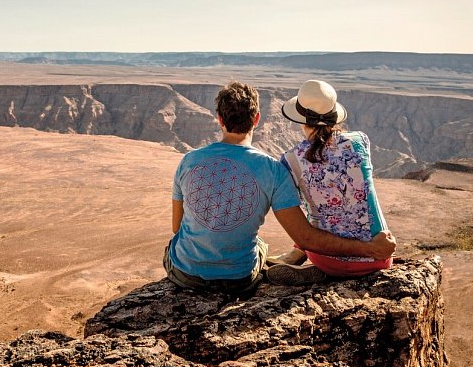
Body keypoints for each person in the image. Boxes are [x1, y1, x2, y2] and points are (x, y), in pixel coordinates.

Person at [163, 81, 396, 295]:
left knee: (182, 244)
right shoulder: (276, 168)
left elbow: (177, 227)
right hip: (240, 278)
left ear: (219, 119)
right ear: (256, 119)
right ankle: (294, 258)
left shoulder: (189, 161)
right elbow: (304, 234)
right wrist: (372, 248)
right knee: (264, 243)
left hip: (186, 276)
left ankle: (304, 260)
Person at [266, 80, 393, 286]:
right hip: (380, 255)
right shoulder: (360, 141)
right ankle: (307, 259)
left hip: (326, 257)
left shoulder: (291, 160)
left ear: (301, 120)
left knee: (316, 210)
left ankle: (317, 266)